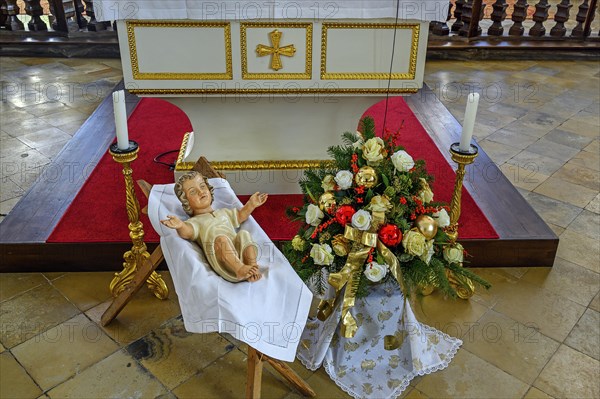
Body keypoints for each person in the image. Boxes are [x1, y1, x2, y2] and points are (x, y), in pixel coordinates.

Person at [160, 171, 268, 283]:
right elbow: (187, 232)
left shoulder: (223, 212)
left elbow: (240, 216)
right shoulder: (195, 221)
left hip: (238, 253)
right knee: (222, 239)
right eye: (193, 192)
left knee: (244, 234)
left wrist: (251, 204)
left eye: (202, 186)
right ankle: (239, 269)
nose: (200, 191)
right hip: (224, 262)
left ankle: (253, 266)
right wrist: (180, 225)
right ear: (186, 201)